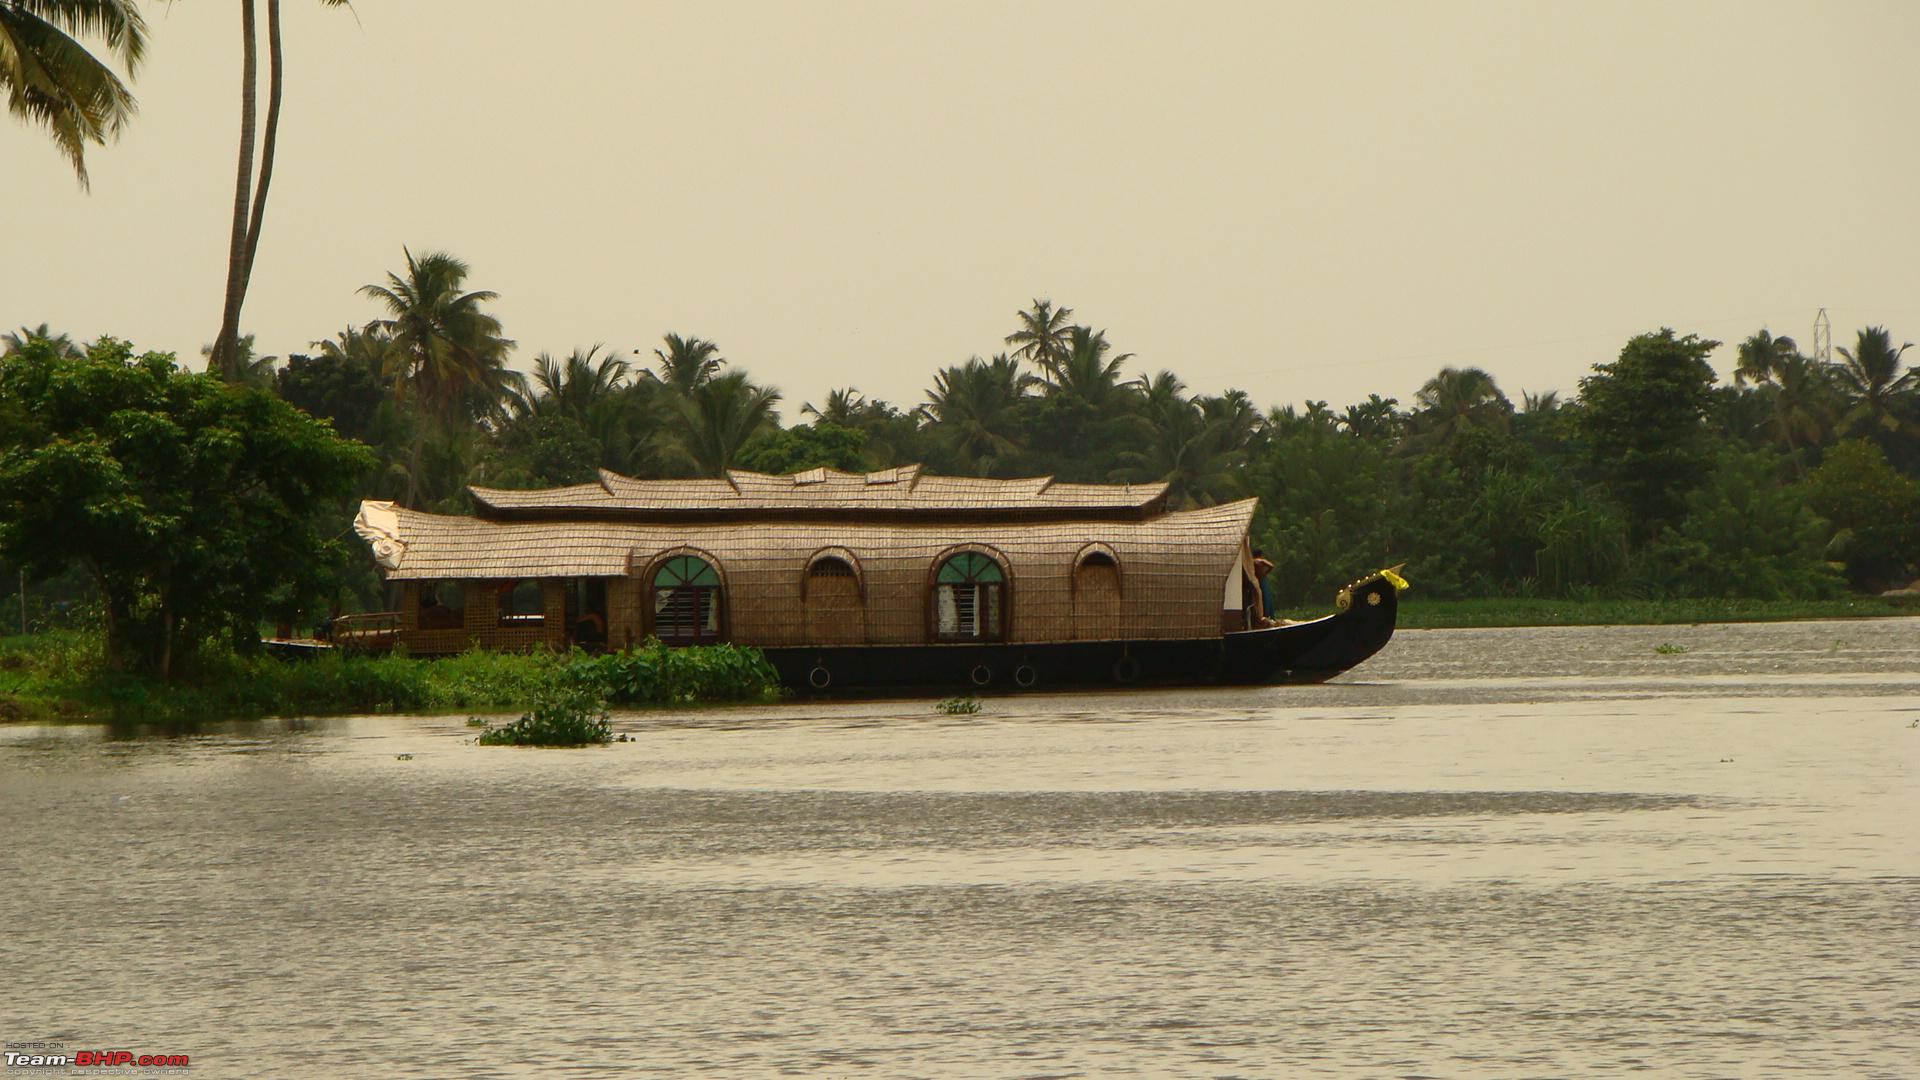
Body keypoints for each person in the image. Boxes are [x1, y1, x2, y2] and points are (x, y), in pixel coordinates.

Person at [1251, 550, 1277, 628]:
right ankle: (1269, 615)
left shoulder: (1253, 561)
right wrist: (1265, 573)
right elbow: (1271, 566)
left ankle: (1265, 615)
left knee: (1261, 597)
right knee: (1266, 596)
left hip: (1257, 579)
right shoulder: (1261, 560)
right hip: (1262, 579)